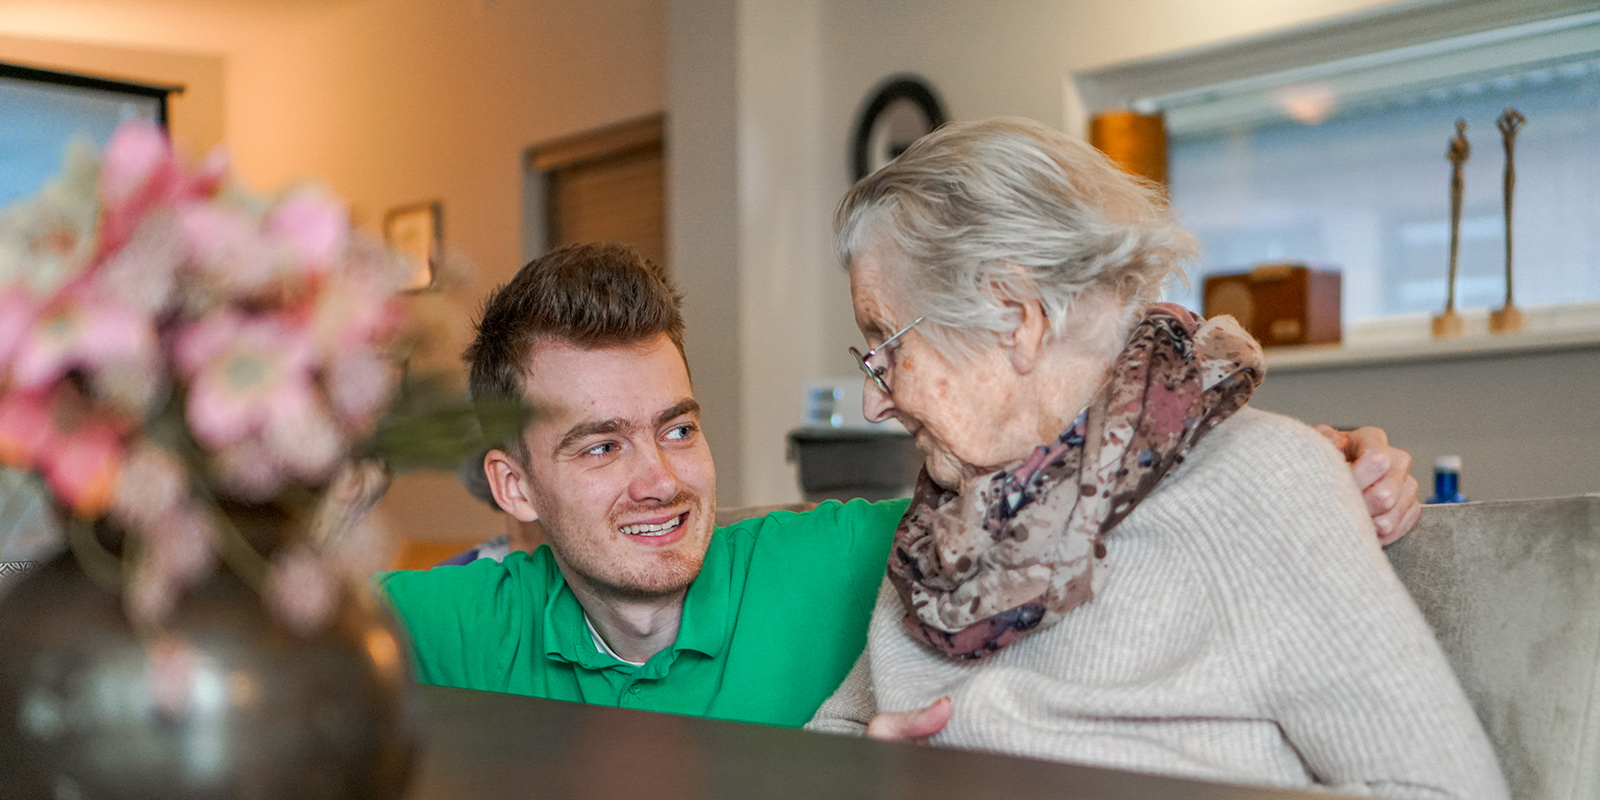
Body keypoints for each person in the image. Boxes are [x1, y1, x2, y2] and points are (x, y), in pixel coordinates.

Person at [376, 242, 1422, 729]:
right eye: (600, 447)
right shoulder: (462, 621)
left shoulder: (837, 558)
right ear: (513, 485)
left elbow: (1074, 494)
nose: (662, 479)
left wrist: (1317, 462)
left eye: (678, 427)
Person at [803, 118, 1506, 799]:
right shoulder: (946, 527)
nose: (875, 402)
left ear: (1017, 316)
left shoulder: (1260, 483)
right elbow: (827, 739)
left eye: (887, 345)